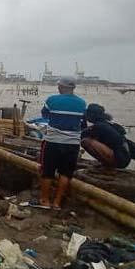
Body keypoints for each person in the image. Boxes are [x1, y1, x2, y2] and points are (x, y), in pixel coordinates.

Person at [37, 76, 87, 209]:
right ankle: (57, 203)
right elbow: (83, 122)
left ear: (61, 87)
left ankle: (44, 200)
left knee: (47, 171)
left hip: (53, 141)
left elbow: (45, 115)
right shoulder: (82, 103)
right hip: (73, 143)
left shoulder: (52, 100)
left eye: (59, 86)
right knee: (65, 173)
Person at [80, 104, 131, 169]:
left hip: (119, 160)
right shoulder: (107, 123)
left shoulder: (99, 127)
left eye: (87, 114)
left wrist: (83, 121)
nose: (86, 115)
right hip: (124, 158)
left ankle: (108, 164)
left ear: (92, 115)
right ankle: (107, 163)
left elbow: (81, 135)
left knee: (86, 141)